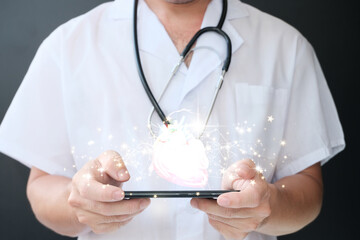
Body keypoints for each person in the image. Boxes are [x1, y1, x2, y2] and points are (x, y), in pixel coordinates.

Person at [0, 0, 345, 239]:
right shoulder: (68, 46)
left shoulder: (285, 46)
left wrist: (269, 204)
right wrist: (78, 205)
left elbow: (307, 188)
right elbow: (42, 184)